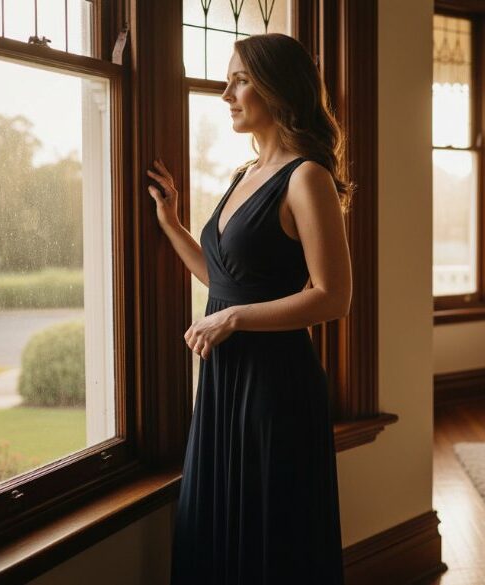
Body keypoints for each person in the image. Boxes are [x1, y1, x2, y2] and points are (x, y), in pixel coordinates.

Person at [145, 32, 352, 584]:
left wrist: (232, 319)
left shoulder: (307, 177)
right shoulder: (244, 173)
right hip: (223, 383)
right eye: (228, 81)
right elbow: (225, 282)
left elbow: (334, 295)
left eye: (239, 80)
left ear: (277, 89)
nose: (226, 94)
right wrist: (172, 224)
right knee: (216, 525)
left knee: (270, 536)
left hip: (275, 387)